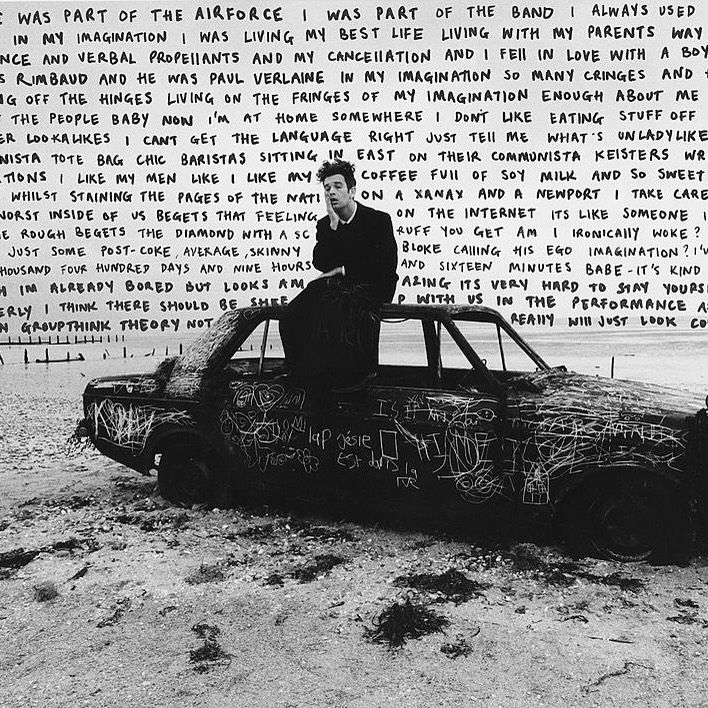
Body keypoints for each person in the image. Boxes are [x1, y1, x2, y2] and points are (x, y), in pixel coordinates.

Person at [279, 158, 398, 387]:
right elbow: (321, 262)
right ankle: (299, 373)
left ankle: (349, 379)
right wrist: (334, 225)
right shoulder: (326, 223)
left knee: (335, 310)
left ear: (352, 190)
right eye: (326, 188)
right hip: (339, 289)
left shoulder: (378, 220)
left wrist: (342, 269)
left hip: (374, 288)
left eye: (337, 186)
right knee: (292, 313)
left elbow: (383, 266)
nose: (331, 192)